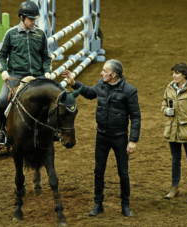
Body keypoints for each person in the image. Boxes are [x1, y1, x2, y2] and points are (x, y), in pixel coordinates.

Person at [62, 59, 141, 217]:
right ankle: (98, 204)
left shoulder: (129, 91)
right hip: (102, 135)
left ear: (113, 75)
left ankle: (125, 205)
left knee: (123, 173)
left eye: (104, 71)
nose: (101, 73)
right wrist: (74, 83)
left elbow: (136, 117)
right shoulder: (102, 84)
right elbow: (91, 93)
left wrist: (133, 140)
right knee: (98, 171)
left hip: (120, 138)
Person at [0, 1, 52, 144]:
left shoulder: (40, 34)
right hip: (16, 75)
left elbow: (47, 57)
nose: (34, 21)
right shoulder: (11, 34)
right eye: (31, 19)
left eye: (35, 19)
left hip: (38, 75)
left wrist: (47, 71)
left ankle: (51, 130)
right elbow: (0, 55)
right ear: (22, 17)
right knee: (2, 101)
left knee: (53, 99)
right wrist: (3, 71)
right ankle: (1, 130)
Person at [161, 62, 187, 200]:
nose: (174, 76)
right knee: (175, 160)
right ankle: (174, 187)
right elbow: (163, 105)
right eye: (173, 73)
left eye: (177, 73)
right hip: (173, 130)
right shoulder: (169, 88)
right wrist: (166, 110)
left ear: (184, 75)